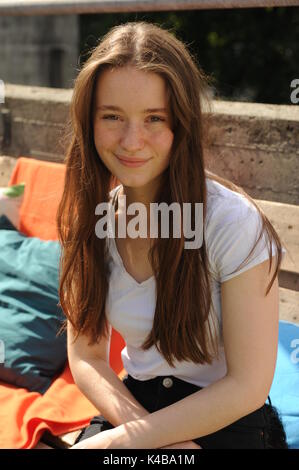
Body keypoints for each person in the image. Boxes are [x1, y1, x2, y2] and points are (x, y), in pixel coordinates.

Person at [56, 21, 288, 449]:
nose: (131, 140)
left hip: (224, 417)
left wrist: (121, 445)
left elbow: (247, 385)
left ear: (181, 123)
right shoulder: (91, 219)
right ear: (89, 121)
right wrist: (141, 437)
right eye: (112, 117)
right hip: (135, 406)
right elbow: (87, 357)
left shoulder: (231, 222)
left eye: (153, 119)